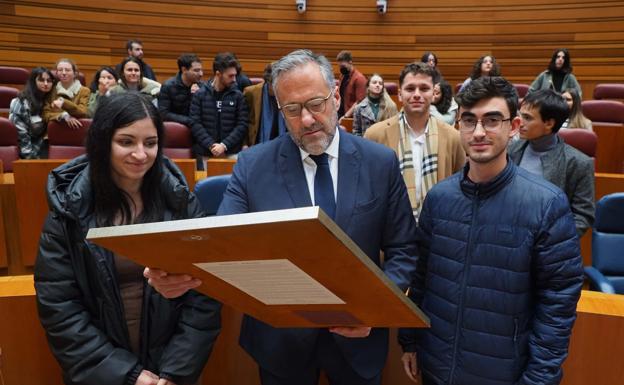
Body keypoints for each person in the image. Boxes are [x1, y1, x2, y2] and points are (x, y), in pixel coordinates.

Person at [145, 49, 419, 385]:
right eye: (292, 109)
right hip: (280, 343)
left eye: (315, 104)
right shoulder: (252, 166)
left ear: (335, 96)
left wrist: (372, 312)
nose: (306, 120)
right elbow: (222, 247)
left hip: (359, 342)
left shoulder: (381, 162)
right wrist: (180, 276)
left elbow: (403, 249)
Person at [399, 76, 583, 385]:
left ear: (513, 128)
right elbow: (421, 279)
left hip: (504, 373)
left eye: (492, 120)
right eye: (469, 121)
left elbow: (558, 305)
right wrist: (410, 341)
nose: (479, 132)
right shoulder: (440, 198)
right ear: (459, 126)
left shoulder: (547, 205)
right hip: (437, 365)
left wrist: (539, 378)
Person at [34, 93, 221, 385]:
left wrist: (174, 373)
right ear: (103, 142)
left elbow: (205, 296)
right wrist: (128, 375)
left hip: (170, 372)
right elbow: (60, 307)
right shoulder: (69, 208)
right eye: (126, 142)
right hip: (102, 374)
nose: (140, 154)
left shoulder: (181, 202)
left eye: (150, 143)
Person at [365, 62, 465, 219]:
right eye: (410, 89)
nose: (417, 94)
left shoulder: (454, 137)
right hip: (391, 229)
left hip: (438, 227)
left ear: (433, 93)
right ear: (399, 94)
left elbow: (461, 189)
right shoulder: (375, 135)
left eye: (424, 88)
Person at [510, 88, 595, 236]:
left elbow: (583, 215)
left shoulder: (579, 163)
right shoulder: (510, 152)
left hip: (549, 247)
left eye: (527, 118)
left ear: (549, 124)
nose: (519, 122)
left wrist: (553, 241)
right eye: (519, 115)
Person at [189, 52, 248, 168]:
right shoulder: (200, 95)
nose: (234, 79)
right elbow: (195, 123)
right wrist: (211, 145)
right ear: (218, 74)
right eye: (230, 76)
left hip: (231, 152)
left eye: (235, 75)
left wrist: (224, 145)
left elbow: (242, 124)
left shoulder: (238, 96)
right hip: (206, 152)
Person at [9, 66, 56, 158]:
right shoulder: (21, 102)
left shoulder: (51, 101)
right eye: (41, 80)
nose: (46, 84)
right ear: (33, 81)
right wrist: (31, 159)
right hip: (26, 153)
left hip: (46, 151)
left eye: (49, 81)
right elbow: (21, 135)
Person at [243, 62, 287, 146]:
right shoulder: (251, 93)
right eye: (275, 85)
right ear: (268, 82)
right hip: (257, 142)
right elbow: (243, 121)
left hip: (283, 143)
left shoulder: (287, 93)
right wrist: (244, 144)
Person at [43, 58, 90, 129]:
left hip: (77, 130)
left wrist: (63, 103)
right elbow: (45, 114)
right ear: (56, 73)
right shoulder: (51, 89)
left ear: (75, 73)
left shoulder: (84, 90)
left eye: (67, 70)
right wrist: (64, 115)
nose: (64, 73)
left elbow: (83, 112)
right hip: (55, 131)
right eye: (60, 70)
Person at [158, 53, 204, 127]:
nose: (201, 74)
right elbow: (164, 113)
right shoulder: (168, 86)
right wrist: (189, 120)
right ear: (184, 70)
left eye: (201, 70)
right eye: (196, 70)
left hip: (196, 127)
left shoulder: (202, 86)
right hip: (176, 128)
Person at [336, 50, 367, 119]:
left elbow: (359, 102)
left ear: (350, 62)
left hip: (352, 117)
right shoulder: (342, 76)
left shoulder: (359, 79)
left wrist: (346, 116)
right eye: (340, 66)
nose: (341, 69)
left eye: (343, 66)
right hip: (340, 113)